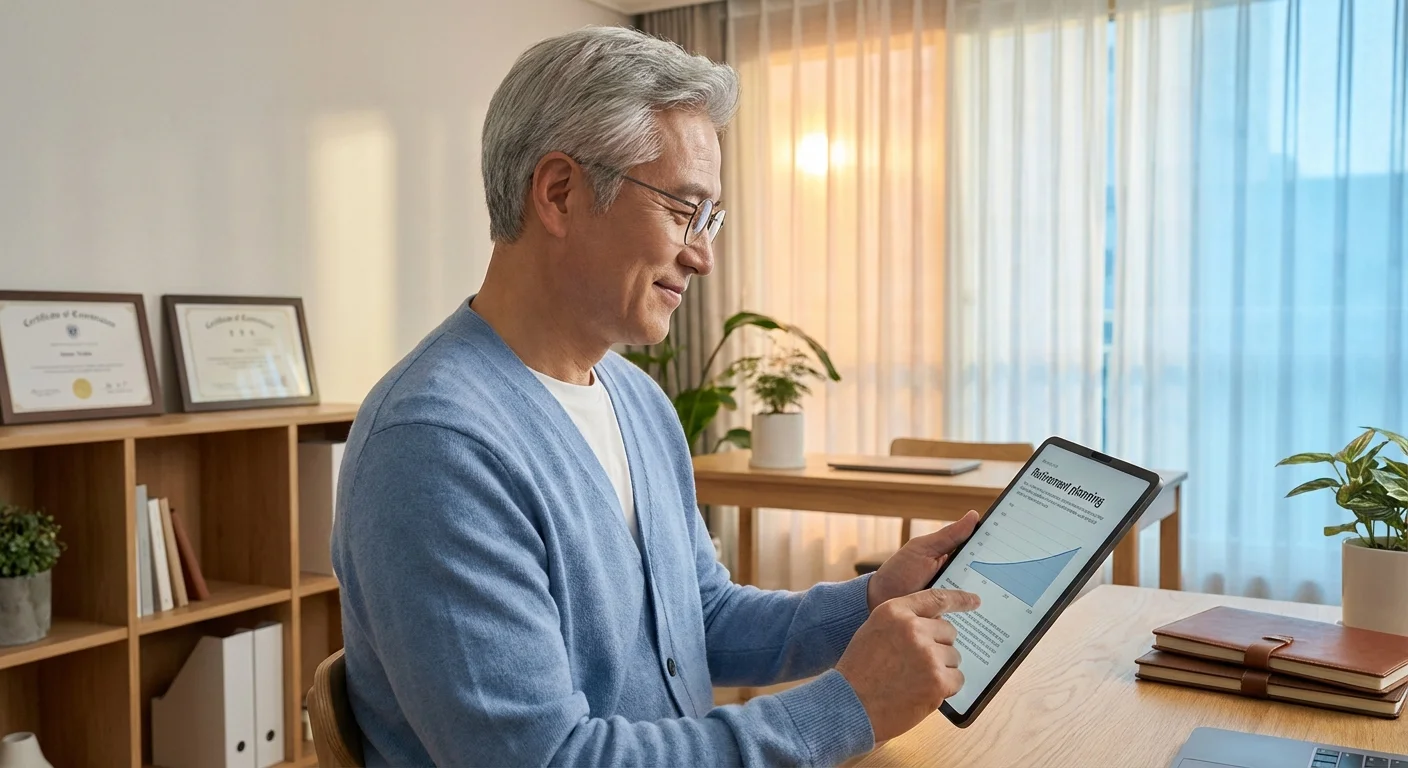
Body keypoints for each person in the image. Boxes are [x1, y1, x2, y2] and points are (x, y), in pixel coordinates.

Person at [330, 24, 981, 767]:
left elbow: (695, 618)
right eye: (683, 210)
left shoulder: (636, 399)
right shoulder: (435, 448)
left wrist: (867, 604)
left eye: (711, 218)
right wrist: (846, 708)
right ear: (560, 193)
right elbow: (544, 760)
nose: (702, 255)